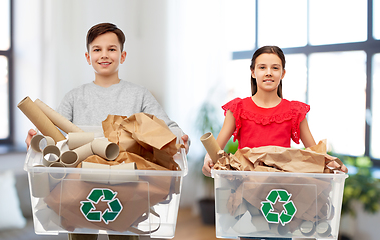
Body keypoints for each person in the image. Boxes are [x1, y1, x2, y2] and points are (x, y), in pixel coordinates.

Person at [25, 23, 190, 240]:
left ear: (122, 56)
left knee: (125, 234)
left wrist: (180, 139)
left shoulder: (138, 95)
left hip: (127, 181)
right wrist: (36, 140)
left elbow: (167, 127)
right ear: (87, 56)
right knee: (81, 235)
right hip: (80, 182)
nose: (104, 55)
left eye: (112, 49)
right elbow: (53, 135)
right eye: (97, 49)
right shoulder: (74, 97)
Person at [202, 45, 347, 240]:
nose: (268, 73)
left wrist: (334, 164)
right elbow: (217, 146)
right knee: (249, 234)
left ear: (283, 73)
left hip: (282, 193)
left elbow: (314, 153)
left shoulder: (294, 111)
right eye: (262, 67)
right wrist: (207, 159)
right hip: (247, 190)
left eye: (275, 68)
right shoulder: (238, 109)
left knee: (279, 235)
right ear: (253, 72)